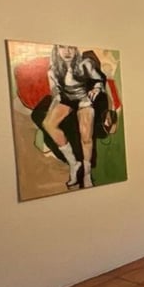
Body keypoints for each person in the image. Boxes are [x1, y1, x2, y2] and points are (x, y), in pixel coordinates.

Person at [41, 45, 107, 189]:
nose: (67, 51)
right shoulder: (53, 70)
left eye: (71, 48)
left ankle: (87, 174)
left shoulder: (85, 64)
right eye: (63, 48)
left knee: (86, 138)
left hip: (84, 99)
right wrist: (55, 100)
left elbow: (99, 80)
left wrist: (96, 88)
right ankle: (73, 163)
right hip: (66, 100)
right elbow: (55, 90)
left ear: (75, 50)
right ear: (57, 50)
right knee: (48, 124)